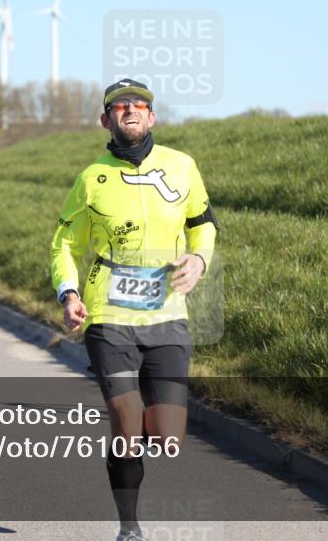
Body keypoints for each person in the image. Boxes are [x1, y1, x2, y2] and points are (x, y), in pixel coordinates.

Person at [49, 79, 218, 541]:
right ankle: (129, 526)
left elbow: (203, 225)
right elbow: (64, 245)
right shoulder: (91, 178)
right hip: (109, 315)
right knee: (126, 426)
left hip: (167, 314)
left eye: (139, 105)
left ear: (152, 116)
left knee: (167, 438)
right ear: (105, 120)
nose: (130, 110)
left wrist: (199, 260)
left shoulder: (181, 167)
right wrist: (69, 293)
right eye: (119, 106)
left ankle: (140, 431)